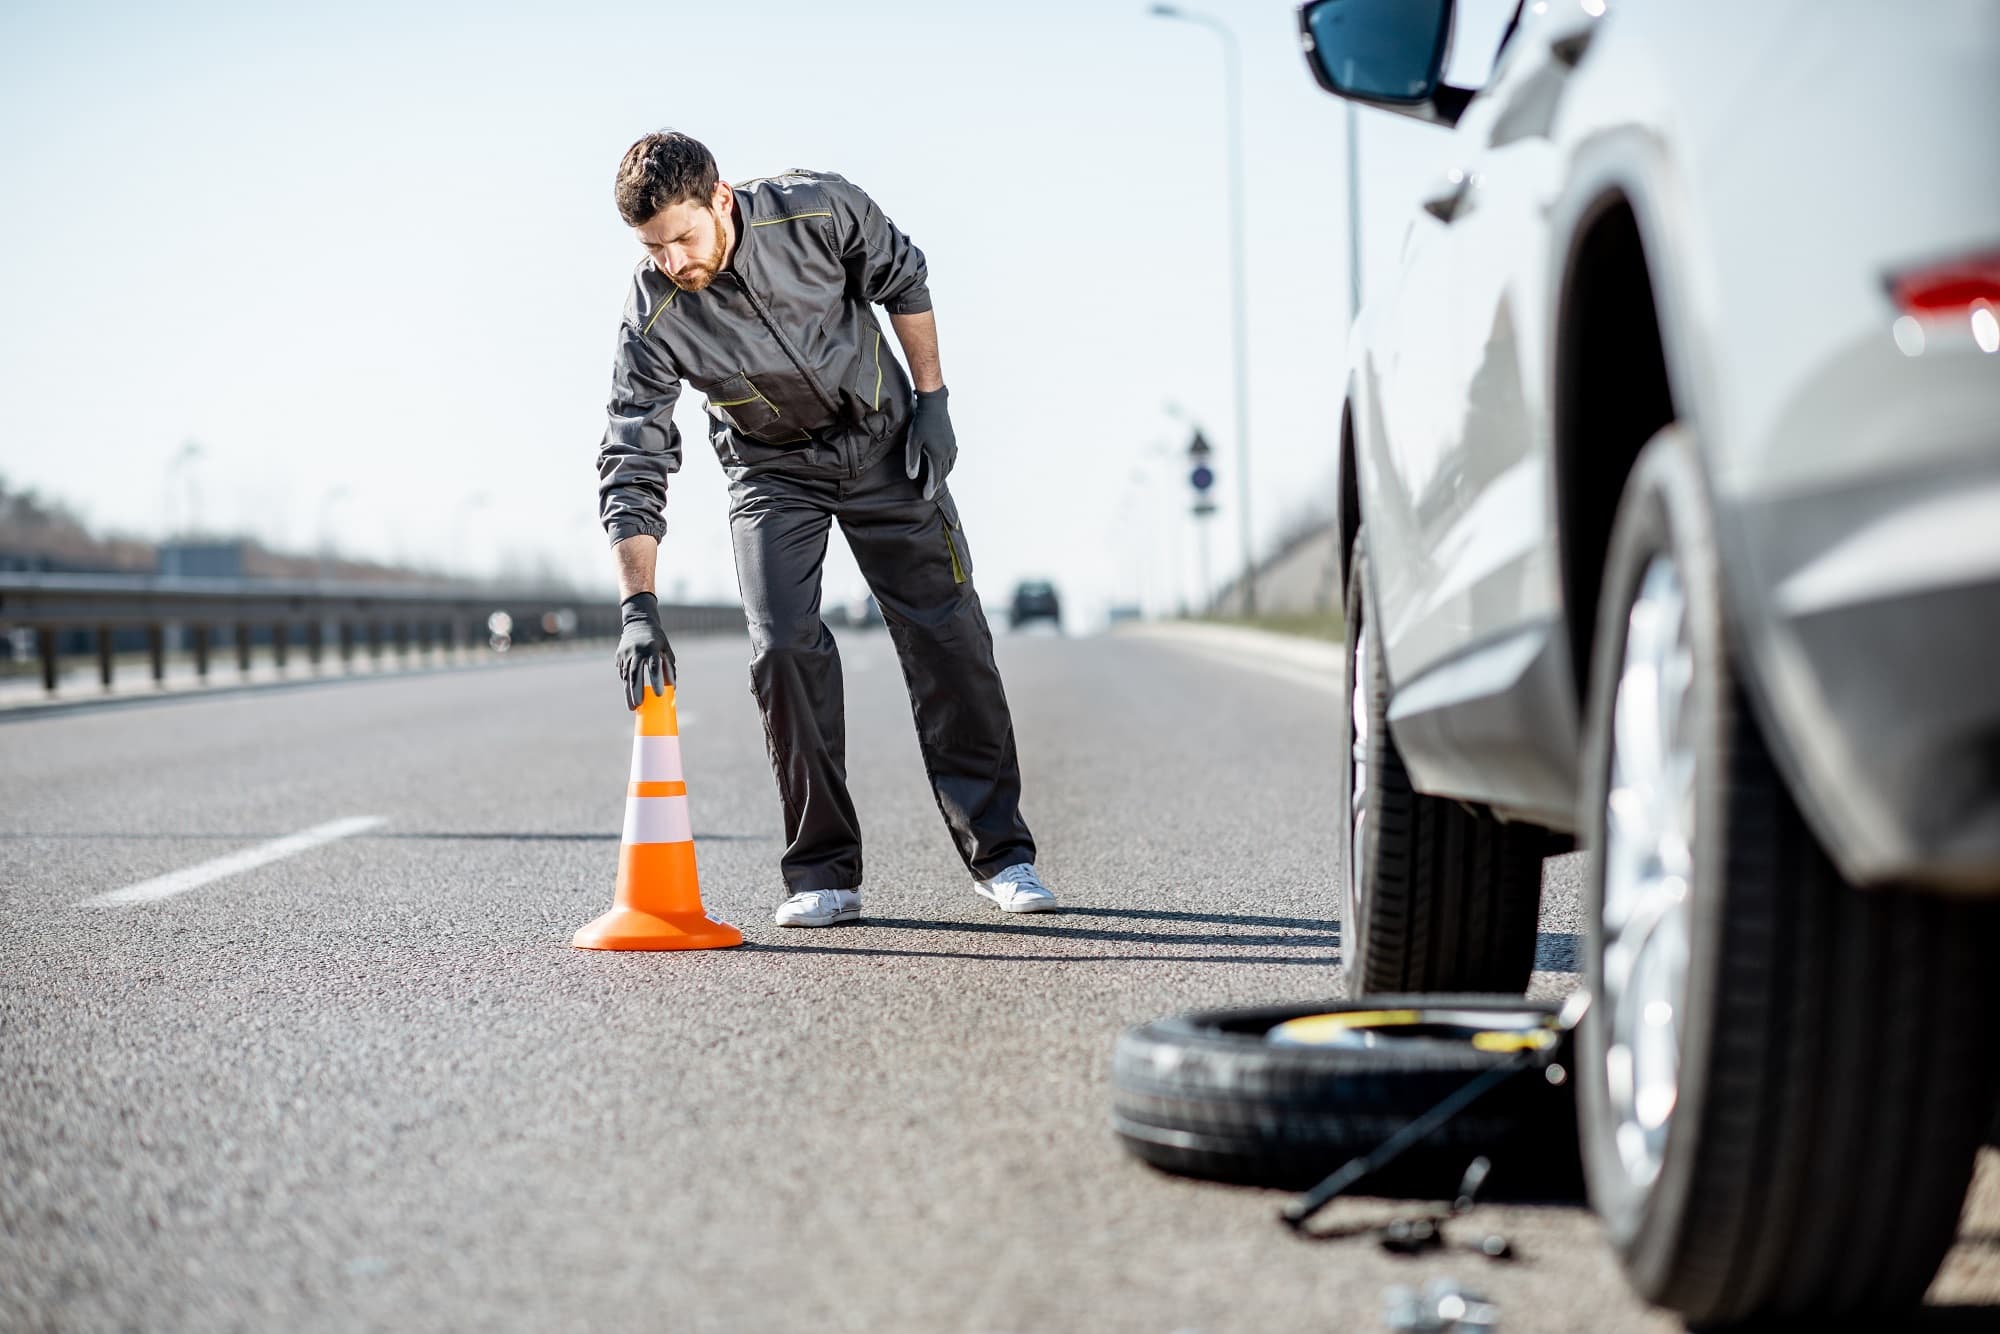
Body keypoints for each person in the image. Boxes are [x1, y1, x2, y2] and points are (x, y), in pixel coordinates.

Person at [595, 130, 1053, 927]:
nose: (673, 261)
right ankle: (824, 875)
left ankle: (1004, 857)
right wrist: (638, 607)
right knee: (782, 648)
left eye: (683, 237)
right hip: (770, 472)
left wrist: (934, 399)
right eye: (653, 247)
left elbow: (903, 276)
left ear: (722, 200)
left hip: (883, 442)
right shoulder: (653, 308)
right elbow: (634, 451)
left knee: (947, 637)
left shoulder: (814, 209)